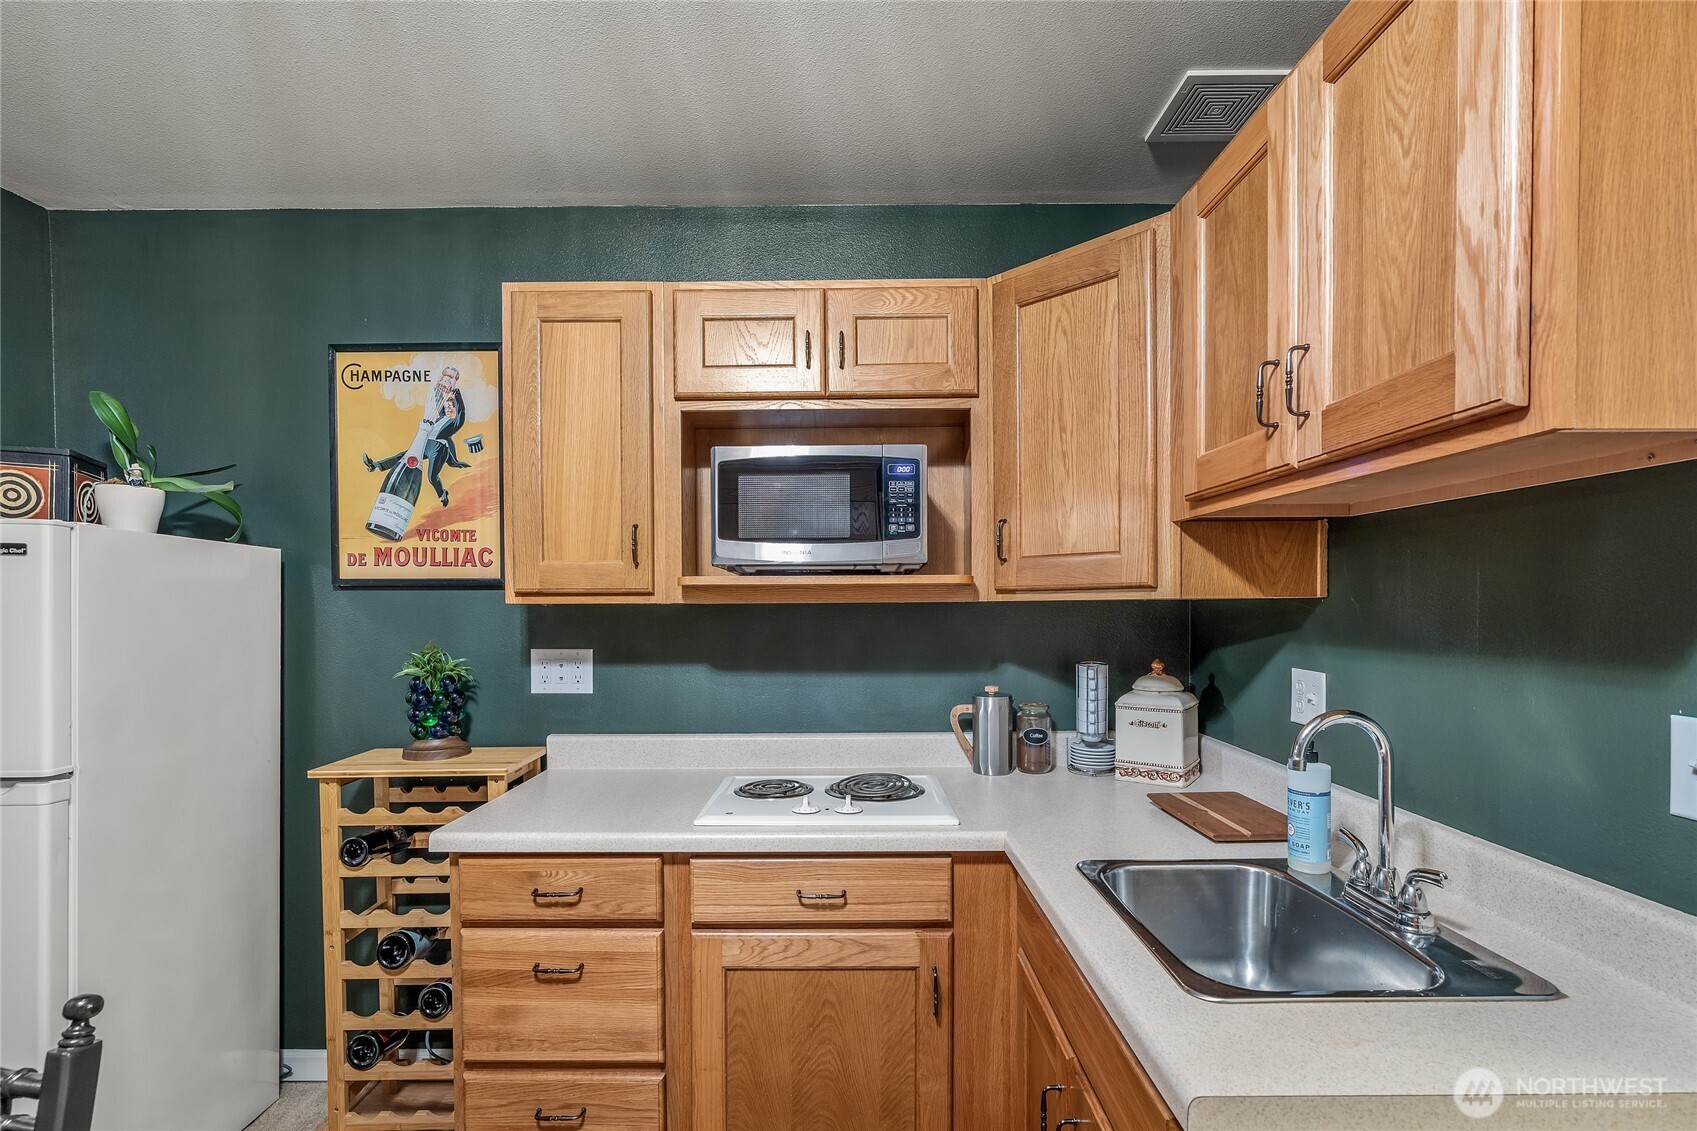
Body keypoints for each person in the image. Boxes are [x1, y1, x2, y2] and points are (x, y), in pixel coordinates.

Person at [362, 367, 471, 506]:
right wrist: (441, 386)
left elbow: (461, 416)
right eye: (448, 405)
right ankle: (376, 465)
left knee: (432, 477)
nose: (449, 407)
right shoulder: (439, 418)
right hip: (426, 445)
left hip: (438, 450)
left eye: (452, 406)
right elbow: (438, 398)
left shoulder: (453, 423)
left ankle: (442, 494)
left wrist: (457, 396)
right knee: (404, 455)